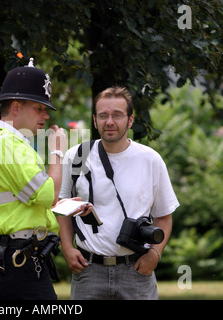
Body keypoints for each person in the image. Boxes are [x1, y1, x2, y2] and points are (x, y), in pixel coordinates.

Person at [0, 58, 89, 300]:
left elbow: (31, 199)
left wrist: (60, 205)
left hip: (6, 256)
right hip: (16, 259)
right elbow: (48, 194)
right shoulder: (9, 145)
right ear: (16, 107)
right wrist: (57, 149)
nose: (46, 115)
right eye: (39, 108)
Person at [57, 86, 179, 300]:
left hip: (136, 271)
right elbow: (62, 209)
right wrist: (67, 248)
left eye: (117, 115)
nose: (110, 122)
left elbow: (164, 216)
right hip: (88, 270)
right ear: (95, 120)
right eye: (103, 116)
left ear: (130, 120)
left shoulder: (150, 159)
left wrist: (155, 254)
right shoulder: (76, 156)